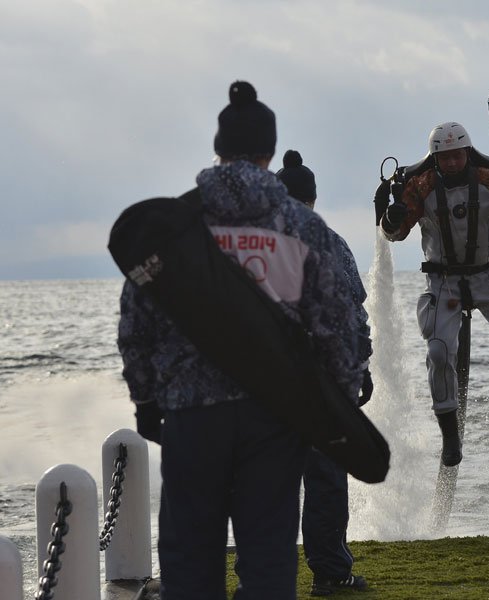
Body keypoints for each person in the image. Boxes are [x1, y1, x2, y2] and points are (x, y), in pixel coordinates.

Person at [117, 81, 363, 600]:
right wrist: (334, 407)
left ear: (219, 149)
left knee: (189, 564)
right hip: (275, 419)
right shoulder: (304, 228)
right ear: (269, 155)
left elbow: (136, 325)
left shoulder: (174, 225)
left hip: (190, 417)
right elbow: (338, 331)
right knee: (269, 561)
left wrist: (146, 402)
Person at [378, 122, 489, 467]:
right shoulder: (420, 186)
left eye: (457, 155)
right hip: (443, 282)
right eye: (444, 157)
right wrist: (391, 218)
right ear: (434, 157)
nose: (451, 163)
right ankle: (450, 436)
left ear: (467, 152)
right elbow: (394, 234)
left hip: (486, 276)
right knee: (438, 350)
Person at [276, 149, 371, 596]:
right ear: (312, 199)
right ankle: (331, 573)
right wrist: (362, 367)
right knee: (326, 481)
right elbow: (353, 313)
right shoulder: (330, 242)